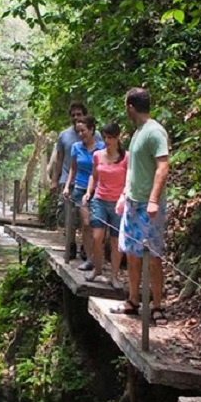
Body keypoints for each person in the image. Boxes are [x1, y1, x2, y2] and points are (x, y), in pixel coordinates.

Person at [112, 88, 169, 326]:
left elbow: (163, 167)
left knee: (153, 256)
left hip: (148, 204)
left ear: (131, 107)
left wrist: (154, 200)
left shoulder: (155, 132)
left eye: (126, 107)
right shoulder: (137, 133)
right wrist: (124, 194)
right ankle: (133, 300)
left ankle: (158, 306)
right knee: (132, 253)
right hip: (133, 202)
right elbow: (134, 169)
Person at [85, 122, 128, 288]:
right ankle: (97, 269)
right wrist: (89, 192)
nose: (107, 140)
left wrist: (124, 197)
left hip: (118, 203)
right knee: (97, 237)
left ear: (117, 137)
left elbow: (129, 180)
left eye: (110, 137)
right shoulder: (98, 155)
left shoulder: (126, 157)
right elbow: (94, 176)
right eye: (105, 137)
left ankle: (114, 276)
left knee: (116, 241)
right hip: (100, 200)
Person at [63, 116, 105, 272]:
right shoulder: (76, 147)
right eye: (78, 131)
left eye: (83, 130)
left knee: (98, 226)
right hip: (80, 188)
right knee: (86, 224)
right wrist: (67, 186)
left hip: (99, 189)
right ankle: (89, 258)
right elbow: (73, 169)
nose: (81, 134)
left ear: (92, 129)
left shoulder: (101, 148)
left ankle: (97, 257)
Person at [53, 103, 88, 255]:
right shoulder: (64, 135)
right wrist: (55, 180)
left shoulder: (94, 133)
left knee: (86, 218)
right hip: (68, 179)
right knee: (69, 215)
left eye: (79, 114)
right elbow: (59, 159)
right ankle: (71, 245)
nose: (76, 118)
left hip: (87, 180)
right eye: (73, 115)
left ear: (84, 115)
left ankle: (86, 248)